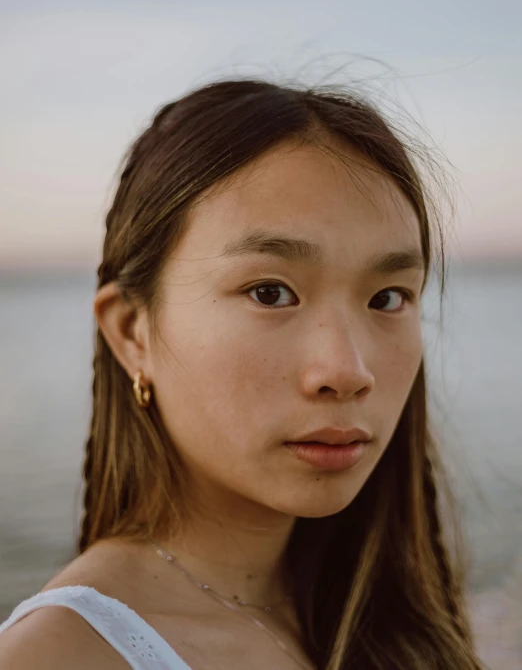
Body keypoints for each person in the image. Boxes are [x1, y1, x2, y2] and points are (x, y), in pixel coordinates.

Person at [0, 79, 487, 669]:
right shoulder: (61, 656)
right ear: (132, 331)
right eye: (270, 292)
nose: (347, 372)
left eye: (387, 298)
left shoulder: (389, 615)